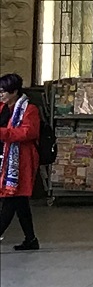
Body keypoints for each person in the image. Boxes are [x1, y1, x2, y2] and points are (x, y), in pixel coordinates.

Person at [0, 73, 41, 251]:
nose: (0, 95)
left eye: (3, 92)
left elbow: (28, 133)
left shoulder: (30, 109)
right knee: (20, 200)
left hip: (21, 160)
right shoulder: (2, 108)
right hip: (3, 158)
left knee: (11, 197)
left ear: (14, 91)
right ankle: (30, 239)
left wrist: (2, 133)